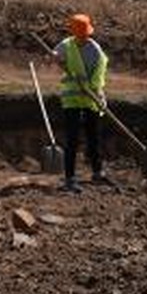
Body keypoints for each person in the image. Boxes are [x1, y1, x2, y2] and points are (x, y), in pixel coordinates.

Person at [54, 12, 111, 193]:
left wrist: (95, 92)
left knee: (93, 137)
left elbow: (99, 76)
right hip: (71, 99)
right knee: (72, 139)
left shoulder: (95, 51)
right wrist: (56, 58)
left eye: (84, 35)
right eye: (80, 34)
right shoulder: (66, 45)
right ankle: (70, 178)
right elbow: (56, 56)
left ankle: (97, 172)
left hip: (90, 99)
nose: (83, 38)